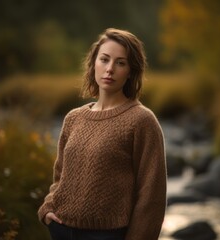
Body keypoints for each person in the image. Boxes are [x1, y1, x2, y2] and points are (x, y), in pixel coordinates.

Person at [38, 28, 167, 240]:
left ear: (131, 71)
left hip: (107, 235)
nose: (110, 69)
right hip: (61, 229)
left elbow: (151, 196)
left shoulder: (142, 121)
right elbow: (60, 175)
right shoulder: (74, 118)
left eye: (120, 63)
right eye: (104, 59)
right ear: (93, 64)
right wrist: (48, 208)